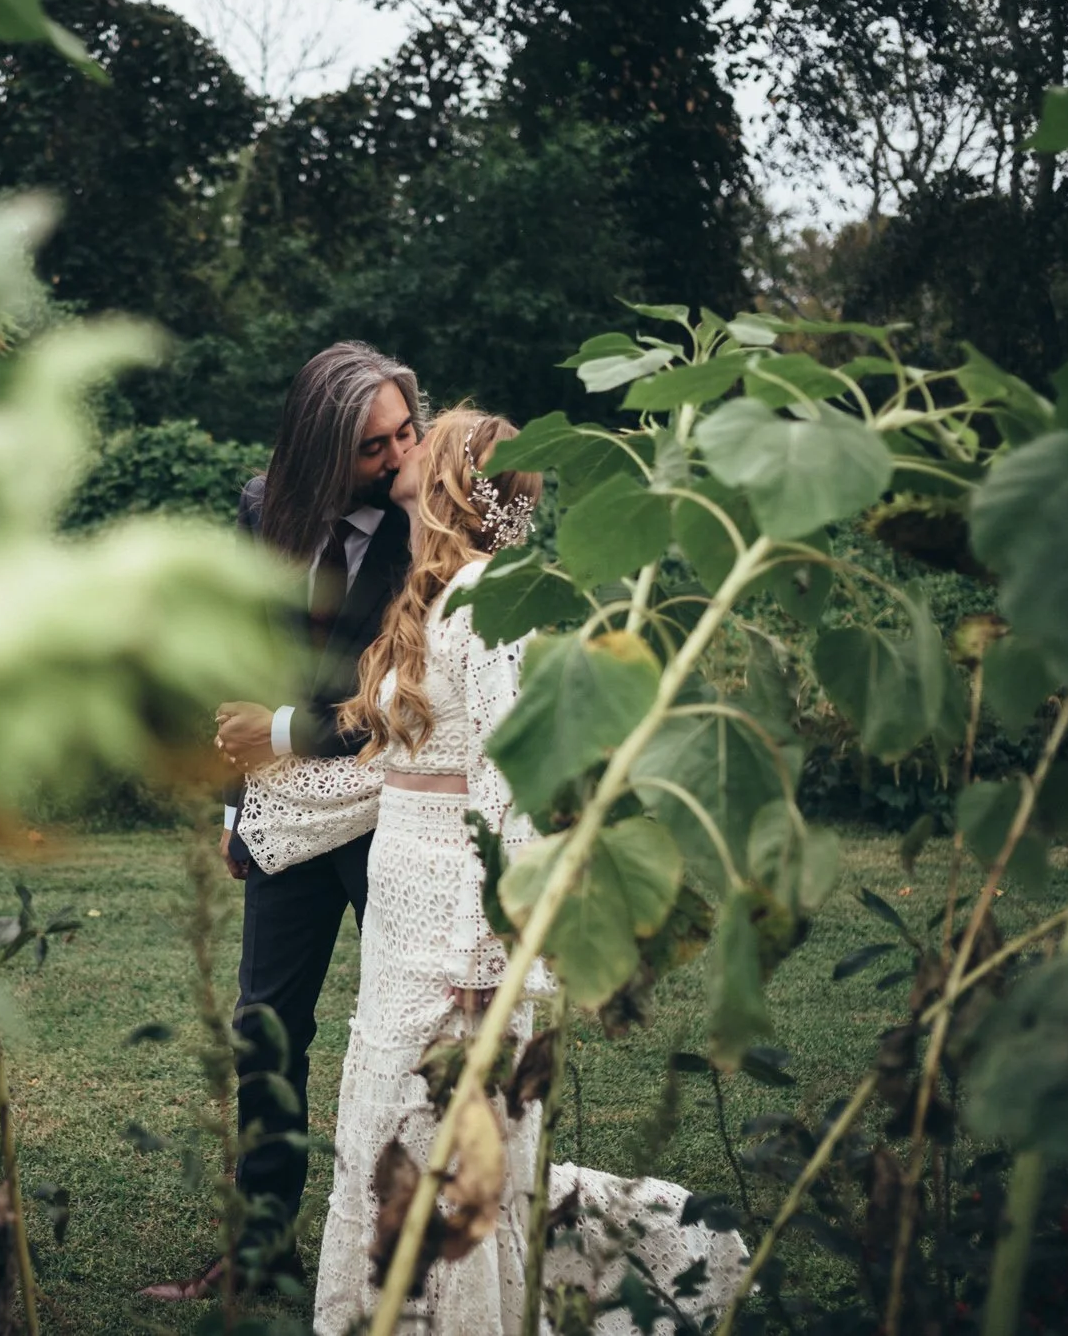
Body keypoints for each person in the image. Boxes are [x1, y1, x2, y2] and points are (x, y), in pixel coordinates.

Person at [310, 408, 747, 1334]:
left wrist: (488, 956)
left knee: (442, 1132)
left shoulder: (489, 601)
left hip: (455, 915)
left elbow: (508, 783)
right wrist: (272, 813)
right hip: (400, 906)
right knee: (386, 1119)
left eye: (428, 438)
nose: (409, 445)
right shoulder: (436, 592)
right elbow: (396, 767)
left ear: (451, 476)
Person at [141, 341, 423, 1302]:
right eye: (374, 446)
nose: (398, 457)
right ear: (319, 448)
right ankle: (260, 1256)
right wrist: (239, 805)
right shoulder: (263, 509)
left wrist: (278, 734)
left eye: (406, 433)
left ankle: (405, 1261)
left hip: (390, 809)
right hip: (285, 816)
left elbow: (409, 699)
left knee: (403, 1034)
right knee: (266, 1028)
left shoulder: (429, 529)